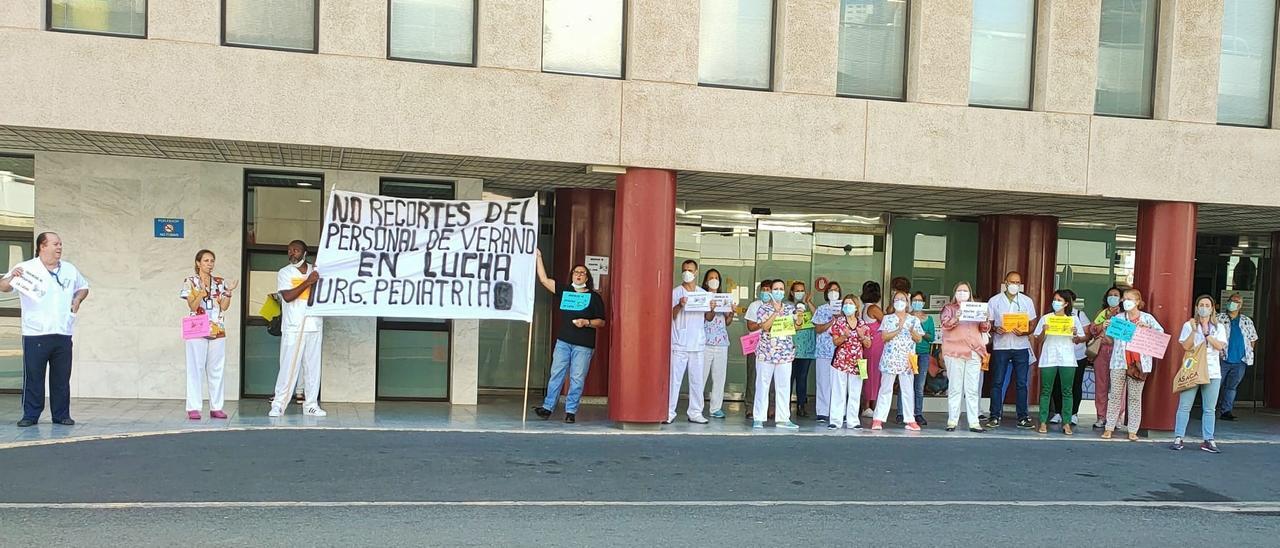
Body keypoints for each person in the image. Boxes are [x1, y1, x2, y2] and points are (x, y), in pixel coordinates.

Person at [1, 232, 89, 427]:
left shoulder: (69, 269)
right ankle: (30, 415)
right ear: (42, 246)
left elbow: (84, 287)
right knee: (34, 377)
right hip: (35, 333)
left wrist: (77, 299)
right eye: (56, 244)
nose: (59, 248)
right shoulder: (26, 268)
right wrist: (11, 278)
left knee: (61, 378)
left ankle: (61, 415)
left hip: (63, 333)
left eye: (60, 244)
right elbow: (4, 286)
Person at [531, 250, 605, 424]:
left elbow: (601, 322)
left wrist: (586, 322)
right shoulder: (565, 291)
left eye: (582, 273)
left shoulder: (594, 297)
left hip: (583, 345)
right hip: (563, 341)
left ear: (587, 278)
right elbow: (544, 280)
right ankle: (547, 407)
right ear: (572, 275)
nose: (578, 275)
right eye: (576, 272)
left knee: (577, 378)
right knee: (556, 374)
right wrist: (539, 258)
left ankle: (571, 410)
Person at [269, 240, 325, 417]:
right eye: (289, 250)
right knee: (288, 366)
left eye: (296, 250)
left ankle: (311, 404)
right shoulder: (285, 272)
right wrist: (308, 282)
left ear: (305, 252)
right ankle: (279, 403)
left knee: (313, 367)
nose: (292, 253)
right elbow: (287, 296)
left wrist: (315, 277)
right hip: (293, 326)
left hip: (313, 325)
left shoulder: (316, 271)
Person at [180, 249, 237, 420]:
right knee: (195, 368)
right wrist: (201, 293)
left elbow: (224, 306)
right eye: (206, 261)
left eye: (212, 261)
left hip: (217, 327)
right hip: (197, 326)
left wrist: (228, 292)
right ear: (198, 263)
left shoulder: (219, 282)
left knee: (216, 369)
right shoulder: (190, 281)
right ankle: (193, 407)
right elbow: (192, 306)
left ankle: (216, 407)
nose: (210, 264)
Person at [1102, 288, 1163, 441]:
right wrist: (1106, 329)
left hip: (1138, 363)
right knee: (1115, 396)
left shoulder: (1147, 318)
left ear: (1137, 301)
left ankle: (1133, 430)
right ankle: (1109, 427)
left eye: (1130, 299)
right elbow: (1109, 341)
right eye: (1125, 298)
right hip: (1119, 361)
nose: (1126, 301)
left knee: (1135, 397)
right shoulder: (1119, 318)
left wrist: (1147, 329)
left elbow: (1160, 337)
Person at [1172, 295, 1228, 453]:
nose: (1204, 307)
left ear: (1212, 309)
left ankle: (1208, 439)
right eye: (1201, 305)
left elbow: (1219, 346)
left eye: (1207, 305)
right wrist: (1195, 329)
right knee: (1184, 406)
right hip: (1193, 369)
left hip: (1212, 371)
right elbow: (1186, 346)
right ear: (1196, 308)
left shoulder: (1219, 327)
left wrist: (1206, 333)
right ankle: (1178, 437)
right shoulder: (1189, 325)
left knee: (1209, 408)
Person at [986, 271, 1038, 429]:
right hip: (1001, 346)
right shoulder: (994, 301)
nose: (1015, 285)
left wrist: (1025, 332)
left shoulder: (1026, 301)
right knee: (997, 382)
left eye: (1018, 282)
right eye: (1012, 282)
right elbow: (987, 324)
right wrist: (995, 329)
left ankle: (1023, 416)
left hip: (1021, 346)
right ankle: (994, 415)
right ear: (1005, 283)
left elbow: (1032, 323)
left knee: (1022, 383)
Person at [1033, 290, 1086, 435]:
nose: (1056, 302)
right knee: (1046, 390)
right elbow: (1037, 339)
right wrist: (1044, 331)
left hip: (1067, 358)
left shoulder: (1073, 319)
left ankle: (1066, 423)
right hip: (1049, 357)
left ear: (1066, 303)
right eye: (1055, 299)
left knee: (1067, 391)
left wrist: (1075, 333)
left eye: (1060, 300)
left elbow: (1079, 339)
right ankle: (1043, 422)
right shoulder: (1046, 318)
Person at [751, 279, 802, 429]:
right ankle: (759, 417)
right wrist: (775, 313)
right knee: (762, 385)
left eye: (781, 288)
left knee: (784, 386)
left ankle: (783, 418)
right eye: (775, 289)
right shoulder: (763, 308)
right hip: (766, 352)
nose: (778, 291)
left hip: (784, 353)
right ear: (771, 291)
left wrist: (799, 316)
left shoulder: (789, 308)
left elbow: (797, 327)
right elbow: (765, 327)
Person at [940, 282, 989, 432]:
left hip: (974, 351)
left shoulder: (976, 307)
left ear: (970, 293)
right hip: (954, 351)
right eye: (959, 291)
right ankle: (952, 421)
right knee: (955, 387)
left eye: (965, 291)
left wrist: (985, 319)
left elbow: (984, 328)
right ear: (955, 293)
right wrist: (957, 317)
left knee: (972, 388)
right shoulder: (949, 308)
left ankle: (974, 422)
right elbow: (945, 324)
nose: (962, 293)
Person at [872, 290, 924, 431]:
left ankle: (910, 419)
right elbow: (884, 337)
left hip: (907, 360)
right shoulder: (888, 318)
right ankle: (878, 419)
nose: (899, 302)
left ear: (907, 303)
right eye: (897, 299)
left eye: (902, 299)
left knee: (908, 390)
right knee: (885, 389)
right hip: (890, 358)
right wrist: (898, 328)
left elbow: (919, 339)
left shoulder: (914, 320)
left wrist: (911, 331)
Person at [668, 259, 709, 424]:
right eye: (685, 270)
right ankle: (669, 412)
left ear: (696, 272)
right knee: (674, 380)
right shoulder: (675, 293)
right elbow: (670, 315)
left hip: (697, 343)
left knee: (697, 380)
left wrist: (712, 308)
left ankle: (696, 412)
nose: (687, 273)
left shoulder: (702, 294)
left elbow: (709, 317)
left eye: (690, 270)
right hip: (679, 342)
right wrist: (679, 305)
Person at [827, 295, 872, 430]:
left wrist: (862, 336)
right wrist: (845, 336)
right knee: (838, 391)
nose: (848, 306)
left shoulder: (862, 324)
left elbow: (868, 344)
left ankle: (853, 420)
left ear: (856, 306)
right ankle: (836, 420)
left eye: (850, 303)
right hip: (840, 362)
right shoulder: (839, 322)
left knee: (855, 392)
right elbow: (835, 342)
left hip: (857, 363)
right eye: (845, 304)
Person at [1048, 289, 1091, 426]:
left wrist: (1079, 338)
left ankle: (1073, 413)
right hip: (1058, 356)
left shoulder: (1079, 314)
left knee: (1075, 385)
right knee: (1057, 384)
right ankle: (1058, 412)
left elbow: (1088, 334)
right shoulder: (1051, 316)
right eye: (1056, 299)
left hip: (1077, 355)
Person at [1086, 287, 1123, 429]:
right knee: (1101, 384)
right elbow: (1092, 329)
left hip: (1118, 351)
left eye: (1115, 295)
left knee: (1119, 385)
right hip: (1102, 350)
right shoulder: (1102, 313)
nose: (1112, 297)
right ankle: (1101, 416)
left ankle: (1117, 417)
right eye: (1110, 295)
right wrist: (1103, 324)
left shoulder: (1124, 314)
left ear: (1120, 299)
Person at [1217, 292, 1258, 421]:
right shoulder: (1219, 318)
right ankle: (1209, 411)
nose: (1232, 303)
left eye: (1236, 301)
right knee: (1215, 385)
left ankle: (1226, 411)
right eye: (1231, 300)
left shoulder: (1246, 321)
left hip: (1240, 360)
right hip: (1222, 358)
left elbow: (1253, 338)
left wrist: (1248, 351)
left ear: (1240, 305)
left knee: (1231, 387)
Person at [897, 291, 934, 425]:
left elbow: (932, 337)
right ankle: (901, 413)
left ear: (923, 303)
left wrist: (921, 332)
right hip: (908, 353)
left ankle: (918, 413)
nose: (917, 303)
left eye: (920, 301)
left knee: (919, 385)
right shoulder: (907, 317)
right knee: (905, 384)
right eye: (915, 300)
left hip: (923, 354)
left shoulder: (928, 319)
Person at [701, 269, 733, 419]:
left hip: (721, 342)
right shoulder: (701, 297)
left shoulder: (723, 298)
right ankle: (696, 407)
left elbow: (727, 321)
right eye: (711, 278)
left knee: (719, 377)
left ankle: (715, 408)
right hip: (705, 342)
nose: (714, 280)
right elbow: (707, 318)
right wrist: (712, 308)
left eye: (716, 278)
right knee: (701, 376)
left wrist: (731, 312)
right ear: (706, 281)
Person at [812, 281, 844, 423]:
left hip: (841, 351)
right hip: (824, 351)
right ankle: (823, 411)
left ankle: (839, 411)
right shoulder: (821, 309)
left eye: (836, 290)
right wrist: (832, 321)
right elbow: (818, 329)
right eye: (831, 290)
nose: (833, 292)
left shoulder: (845, 309)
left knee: (839, 383)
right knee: (823, 381)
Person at [745, 280, 774, 421]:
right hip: (755, 344)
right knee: (753, 376)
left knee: (771, 380)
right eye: (764, 289)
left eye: (769, 289)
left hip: (772, 346)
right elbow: (750, 326)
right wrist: (764, 324)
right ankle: (750, 408)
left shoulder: (778, 307)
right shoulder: (754, 305)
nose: (766, 292)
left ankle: (771, 409)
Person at [788, 280, 816, 419]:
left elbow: (817, 317)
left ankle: (801, 406)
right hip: (791, 347)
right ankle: (785, 406)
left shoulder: (808, 307)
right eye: (797, 290)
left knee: (802, 378)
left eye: (802, 290)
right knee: (789, 378)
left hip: (806, 348)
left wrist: (808, 302)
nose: (800, 293)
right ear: (792, 293)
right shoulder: (787, 307)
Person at [859, 281, 885, 417]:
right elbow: (887, 321)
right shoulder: (874, 308)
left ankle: (865, 405)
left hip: (867, 347)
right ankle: (869, 406)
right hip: (875, 347)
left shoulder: (864, 307)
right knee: (873, 375)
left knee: (865, 374)